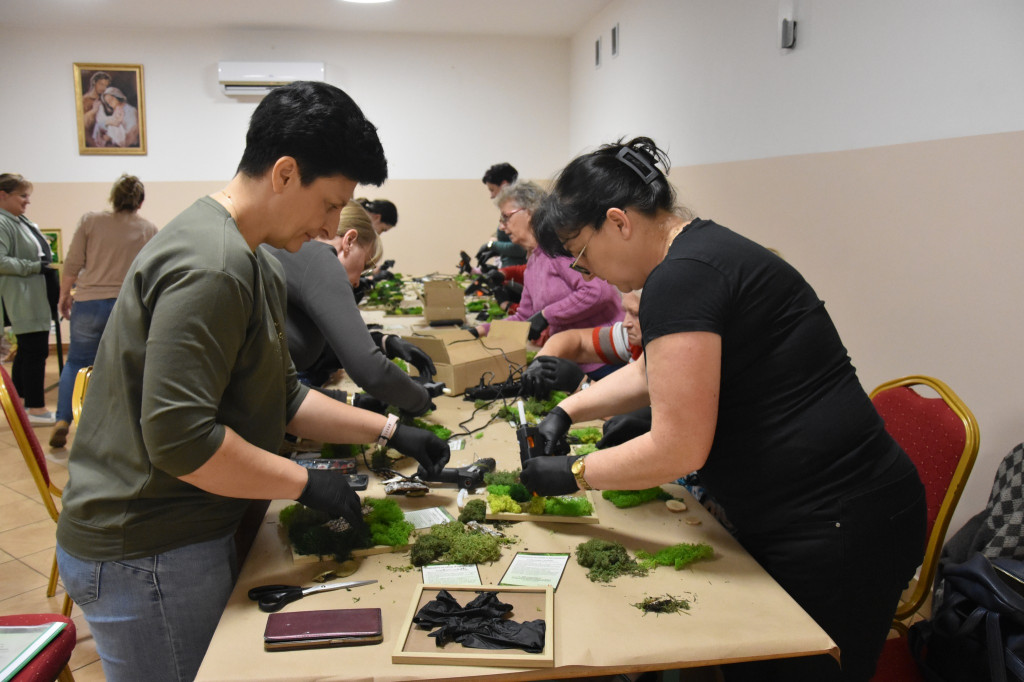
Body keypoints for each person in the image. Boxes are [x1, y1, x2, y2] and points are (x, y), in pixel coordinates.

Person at [55, 81, 449, 682]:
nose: (327, 228)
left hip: (177, 534)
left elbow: (284, 393)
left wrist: (393, 429)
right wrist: (304, 482)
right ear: (285, 173)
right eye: (328, 204)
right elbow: (182, 441)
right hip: (148, 550)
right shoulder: (212, 265)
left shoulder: (254, 255)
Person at [521, 137, 926, 681]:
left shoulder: (683, 275)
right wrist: (567, 411)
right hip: (820, 511)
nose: (587, 272)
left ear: (618, 222)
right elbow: (654, 371)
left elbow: (678, 447)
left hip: (837, 522)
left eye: (580, 253)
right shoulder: (699, 254)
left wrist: (575, 472)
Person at [264, 201, 438, 417]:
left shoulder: (289, 252)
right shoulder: (319, 260)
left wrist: (382, 343)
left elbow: (320, 346)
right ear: (349, 241)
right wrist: (419, 399)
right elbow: (371, 372)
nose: (358, 282)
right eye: (364, 266)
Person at [48, 174, 158, 448]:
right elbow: (152, 270)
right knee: (124, 365)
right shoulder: (148, 229)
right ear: (140, 201)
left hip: (89, 301)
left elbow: (72, 262)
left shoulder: (91, 221)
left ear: (113, 197)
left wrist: (64, 295)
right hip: (126, 304)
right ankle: (119, 428)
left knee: (76, 363)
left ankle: (63, 419)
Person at [474, 181, 622, 360]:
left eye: (506, 217)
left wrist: (546, 315)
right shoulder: (534, 260)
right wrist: (480, 330)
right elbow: (525, 317)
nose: (502, 227)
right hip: (574, 360)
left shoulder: (559, 248)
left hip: (603, 360)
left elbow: (598, 292)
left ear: (528, 212)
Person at [0, 173, 57, 425]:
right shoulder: (2, 223)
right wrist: (34, 266)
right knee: (35, 351)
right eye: (22, 196)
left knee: (27, 351)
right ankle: (36, 409)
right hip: (23, 296)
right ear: (3, 196)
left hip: (33, 295)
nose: (27, 201)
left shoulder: (18, 220)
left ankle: (20, 403)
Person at [521, 290, 643, 398]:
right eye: (626, 312)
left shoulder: (659, 358)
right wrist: (541, 362)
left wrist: (581, 384)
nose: (625, 323)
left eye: (635, 314)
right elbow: (578, 341)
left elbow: (635, 412)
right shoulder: (633, 337)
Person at [477, 162, 527, 269]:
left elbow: (521, 248)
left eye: (492, 190)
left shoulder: (520, 207)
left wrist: (491, 245)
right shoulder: (512, 208)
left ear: (504, 185)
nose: (492, 196)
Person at [81, 71, 111, 140]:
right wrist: (93, 111)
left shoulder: (105, 99)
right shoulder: (84, 100)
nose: (103, 88)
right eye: (101, 84)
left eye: (106, 86)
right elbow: (81, 123)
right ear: (94, 82)